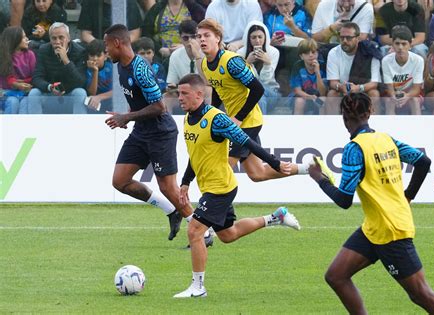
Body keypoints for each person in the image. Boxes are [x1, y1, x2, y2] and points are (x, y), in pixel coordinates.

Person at [308, 92, 434, 314]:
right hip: (374, 227)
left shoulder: (354, 149)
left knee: (421, 293)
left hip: (390, 230)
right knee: (336, 276)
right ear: (370, 113)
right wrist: (408, 195)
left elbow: (344, 200)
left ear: (344, 118)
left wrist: (320, 179)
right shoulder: (386, 139)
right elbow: (423, 162)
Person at [173, 73, 301, 298]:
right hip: (210, 186)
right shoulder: (187, 118)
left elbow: (247, 141)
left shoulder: (216, 119)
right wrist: (185, 182)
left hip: (220, 188)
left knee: (194, 231)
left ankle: (198, 288)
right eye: (178, 93)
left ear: (199, 94)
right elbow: (196, 154)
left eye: (184, 93)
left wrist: (274, 162)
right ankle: (275, 217)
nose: (180, 98)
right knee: (228, 235)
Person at [103, 24, 204, 243]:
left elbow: (159, 107)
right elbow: (139, 102)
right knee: (120, 181)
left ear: (117, 43)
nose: (106, 50)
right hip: (141, 132)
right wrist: (127, 116)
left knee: (168, 187)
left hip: (160, 132)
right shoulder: (121, 66)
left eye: (107, 45)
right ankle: (171, 210)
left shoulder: (140, 68)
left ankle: (202, 231)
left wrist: (127, 118)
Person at [197, 18, 310, 182]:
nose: (202, 39)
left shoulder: (232, 61)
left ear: (218, 38)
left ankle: (213, 208)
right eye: (199, 36)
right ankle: (310, 168)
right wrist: (212, 115)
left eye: (206, 35)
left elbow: (258, 89)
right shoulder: (206, 65)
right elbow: (217, 89)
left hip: (247, 121)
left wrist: (238, 117)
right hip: (237, 122)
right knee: (257, 174)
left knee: (224, 169)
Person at [28, 22, 88, 114]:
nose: (57, 41)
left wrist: (66, 61)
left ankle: (79, 126)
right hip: (49, 93)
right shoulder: (43, 50)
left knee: (80, 93)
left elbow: (81, 82)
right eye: (54, 38)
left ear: (68, 38)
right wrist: (50, 87)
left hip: (69, 93)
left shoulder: (80, 52)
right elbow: (36, 78)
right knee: (34, 93)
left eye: (61, 37)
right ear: (50, 39)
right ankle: (36, 127)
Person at [325, 22, 382, 114]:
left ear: (358, 38)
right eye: (342, 37)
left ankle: (373, 126)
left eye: (349, 38)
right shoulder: (333, 53)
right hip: (342, 90)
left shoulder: (370, 52)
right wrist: (340, 87)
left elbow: (374, 83)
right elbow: (333, 82)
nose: (344, 41)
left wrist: (358, 88)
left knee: (374, 94)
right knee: (332, 95)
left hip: (363, 90)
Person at [237, 21, 281, 114]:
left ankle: (259, 125)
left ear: (265, 37)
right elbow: (241, 79)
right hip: (248, 91)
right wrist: (247, 63)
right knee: (258, 95)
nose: (257, 41)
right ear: (248, 39)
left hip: (270, 91)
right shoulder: (240, 53)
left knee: (258, 93)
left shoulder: (273, 52)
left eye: (260, 37)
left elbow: (265, 81)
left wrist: (267, 64)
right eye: (253, 37)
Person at [141, 0, 205, 64]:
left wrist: (185, 46)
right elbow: (146, 33)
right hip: (160, 57)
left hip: (189, 55)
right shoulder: (156, 9)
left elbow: (203, 32)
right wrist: (159, 49)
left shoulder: (194, 8)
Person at [381, 25, 424, 115]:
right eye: (397, 43)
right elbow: (389, 88)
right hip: (393, 92)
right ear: (392, 44)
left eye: (404, 44)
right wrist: (394, 96)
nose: (400, 47)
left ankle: (418, 128)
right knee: (390, 101)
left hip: (411, 93)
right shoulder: (386, 61)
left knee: (415, 101)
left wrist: (407, 96)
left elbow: (416, 89)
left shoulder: (418, 60)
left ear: (410, 45)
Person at [0, 26, 35, 114]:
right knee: (13, 102)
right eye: (23, 37)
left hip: (25, 92)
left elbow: (35, 75)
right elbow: (5, 79)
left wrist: (21, 83)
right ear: (15, 39)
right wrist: (14, 84)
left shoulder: (30, 55)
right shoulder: (3, 56)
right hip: (6, 93)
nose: (27, 39)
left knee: (25, 103)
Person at [289, 38, 327, 115]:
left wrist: (318, 73)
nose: (311, 55)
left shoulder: (323, 66)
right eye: (306, 53)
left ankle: (323, 125)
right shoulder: (297, 66)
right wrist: (310, 97)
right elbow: (297, 90)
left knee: (323, 99)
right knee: (300, 101)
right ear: (301, 56)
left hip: (318, 97)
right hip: (301, 96)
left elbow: (323, 92)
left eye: (313, 52)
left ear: (317, 53)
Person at [78, 0, 142, 44]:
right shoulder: (89, 2)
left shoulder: (129, 3)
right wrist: (103, 46)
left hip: (124, 48)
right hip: (98, 50)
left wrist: (121, 45)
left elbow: (134, 34)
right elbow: (85, 34)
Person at [84, 39, 113, 113]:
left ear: (105, 56)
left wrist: (99, 97)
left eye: (98, 55)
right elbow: (92, 93)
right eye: (92, 55)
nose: (95, 58)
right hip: (94, 103)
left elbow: (120, 91)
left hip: (110, 101)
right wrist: (95, 71)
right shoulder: (85, 70)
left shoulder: (112, 67)